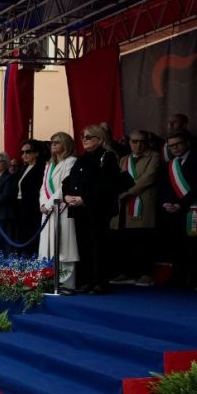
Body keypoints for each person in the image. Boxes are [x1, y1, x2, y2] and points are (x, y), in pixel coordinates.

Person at [64, 124, 122, 294]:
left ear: (100, 139)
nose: (84, 140)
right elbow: (69, 180)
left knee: (98, 244)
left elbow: (105, 183)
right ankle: (86, 280)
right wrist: (67, 195)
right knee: (83, 245)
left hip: (97, 209)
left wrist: (85, 198)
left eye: (88, 137)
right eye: (83, 138)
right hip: (78, 209)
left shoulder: (107, 157)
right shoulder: (82, 158)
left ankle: (99, 281)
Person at [110, 130, 161, 287]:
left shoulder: (154, 156)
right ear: (129, 142)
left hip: (142, 204)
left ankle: (145, 274)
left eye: (141, 141)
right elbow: (117, 179)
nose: (137, 144)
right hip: (123, 205)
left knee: (142, 239)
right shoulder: (124, 159)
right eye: (134, 141)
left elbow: (148, 178)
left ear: (147, 142)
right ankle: (126, 272)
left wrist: (128, 192)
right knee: (124, 240)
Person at [157, 130, 197, 288]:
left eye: (178, 144)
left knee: (195, 247)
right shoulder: (168, 165)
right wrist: (165, 202)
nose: (175, 148)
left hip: (193, 209)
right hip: (172, 212)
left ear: (187, 143)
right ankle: (178, 276)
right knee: (175, 245)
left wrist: (181, 204)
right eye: (171, 146)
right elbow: (162, 187)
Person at [39, 133, 80, 290]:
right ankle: (48, 279)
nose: (53, 145)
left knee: (64, 245)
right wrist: (43, 203)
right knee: (46, 245)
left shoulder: (71, 162)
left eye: (57, 142)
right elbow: (43, 187)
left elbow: (65, 186)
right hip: (47, 210)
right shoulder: (49, 164)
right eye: (52, 143)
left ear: (66, 144)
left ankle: (65, 282)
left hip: (62, 208)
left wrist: (49, 204)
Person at [15, 140, 46, 257]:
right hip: (21, 207)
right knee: (22, 237)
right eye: (22, 152)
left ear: (36, 153)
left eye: (28, 152)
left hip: (33, 208)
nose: (24, 155)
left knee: (32, 237)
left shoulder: (42, 168)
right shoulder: (23, 168)